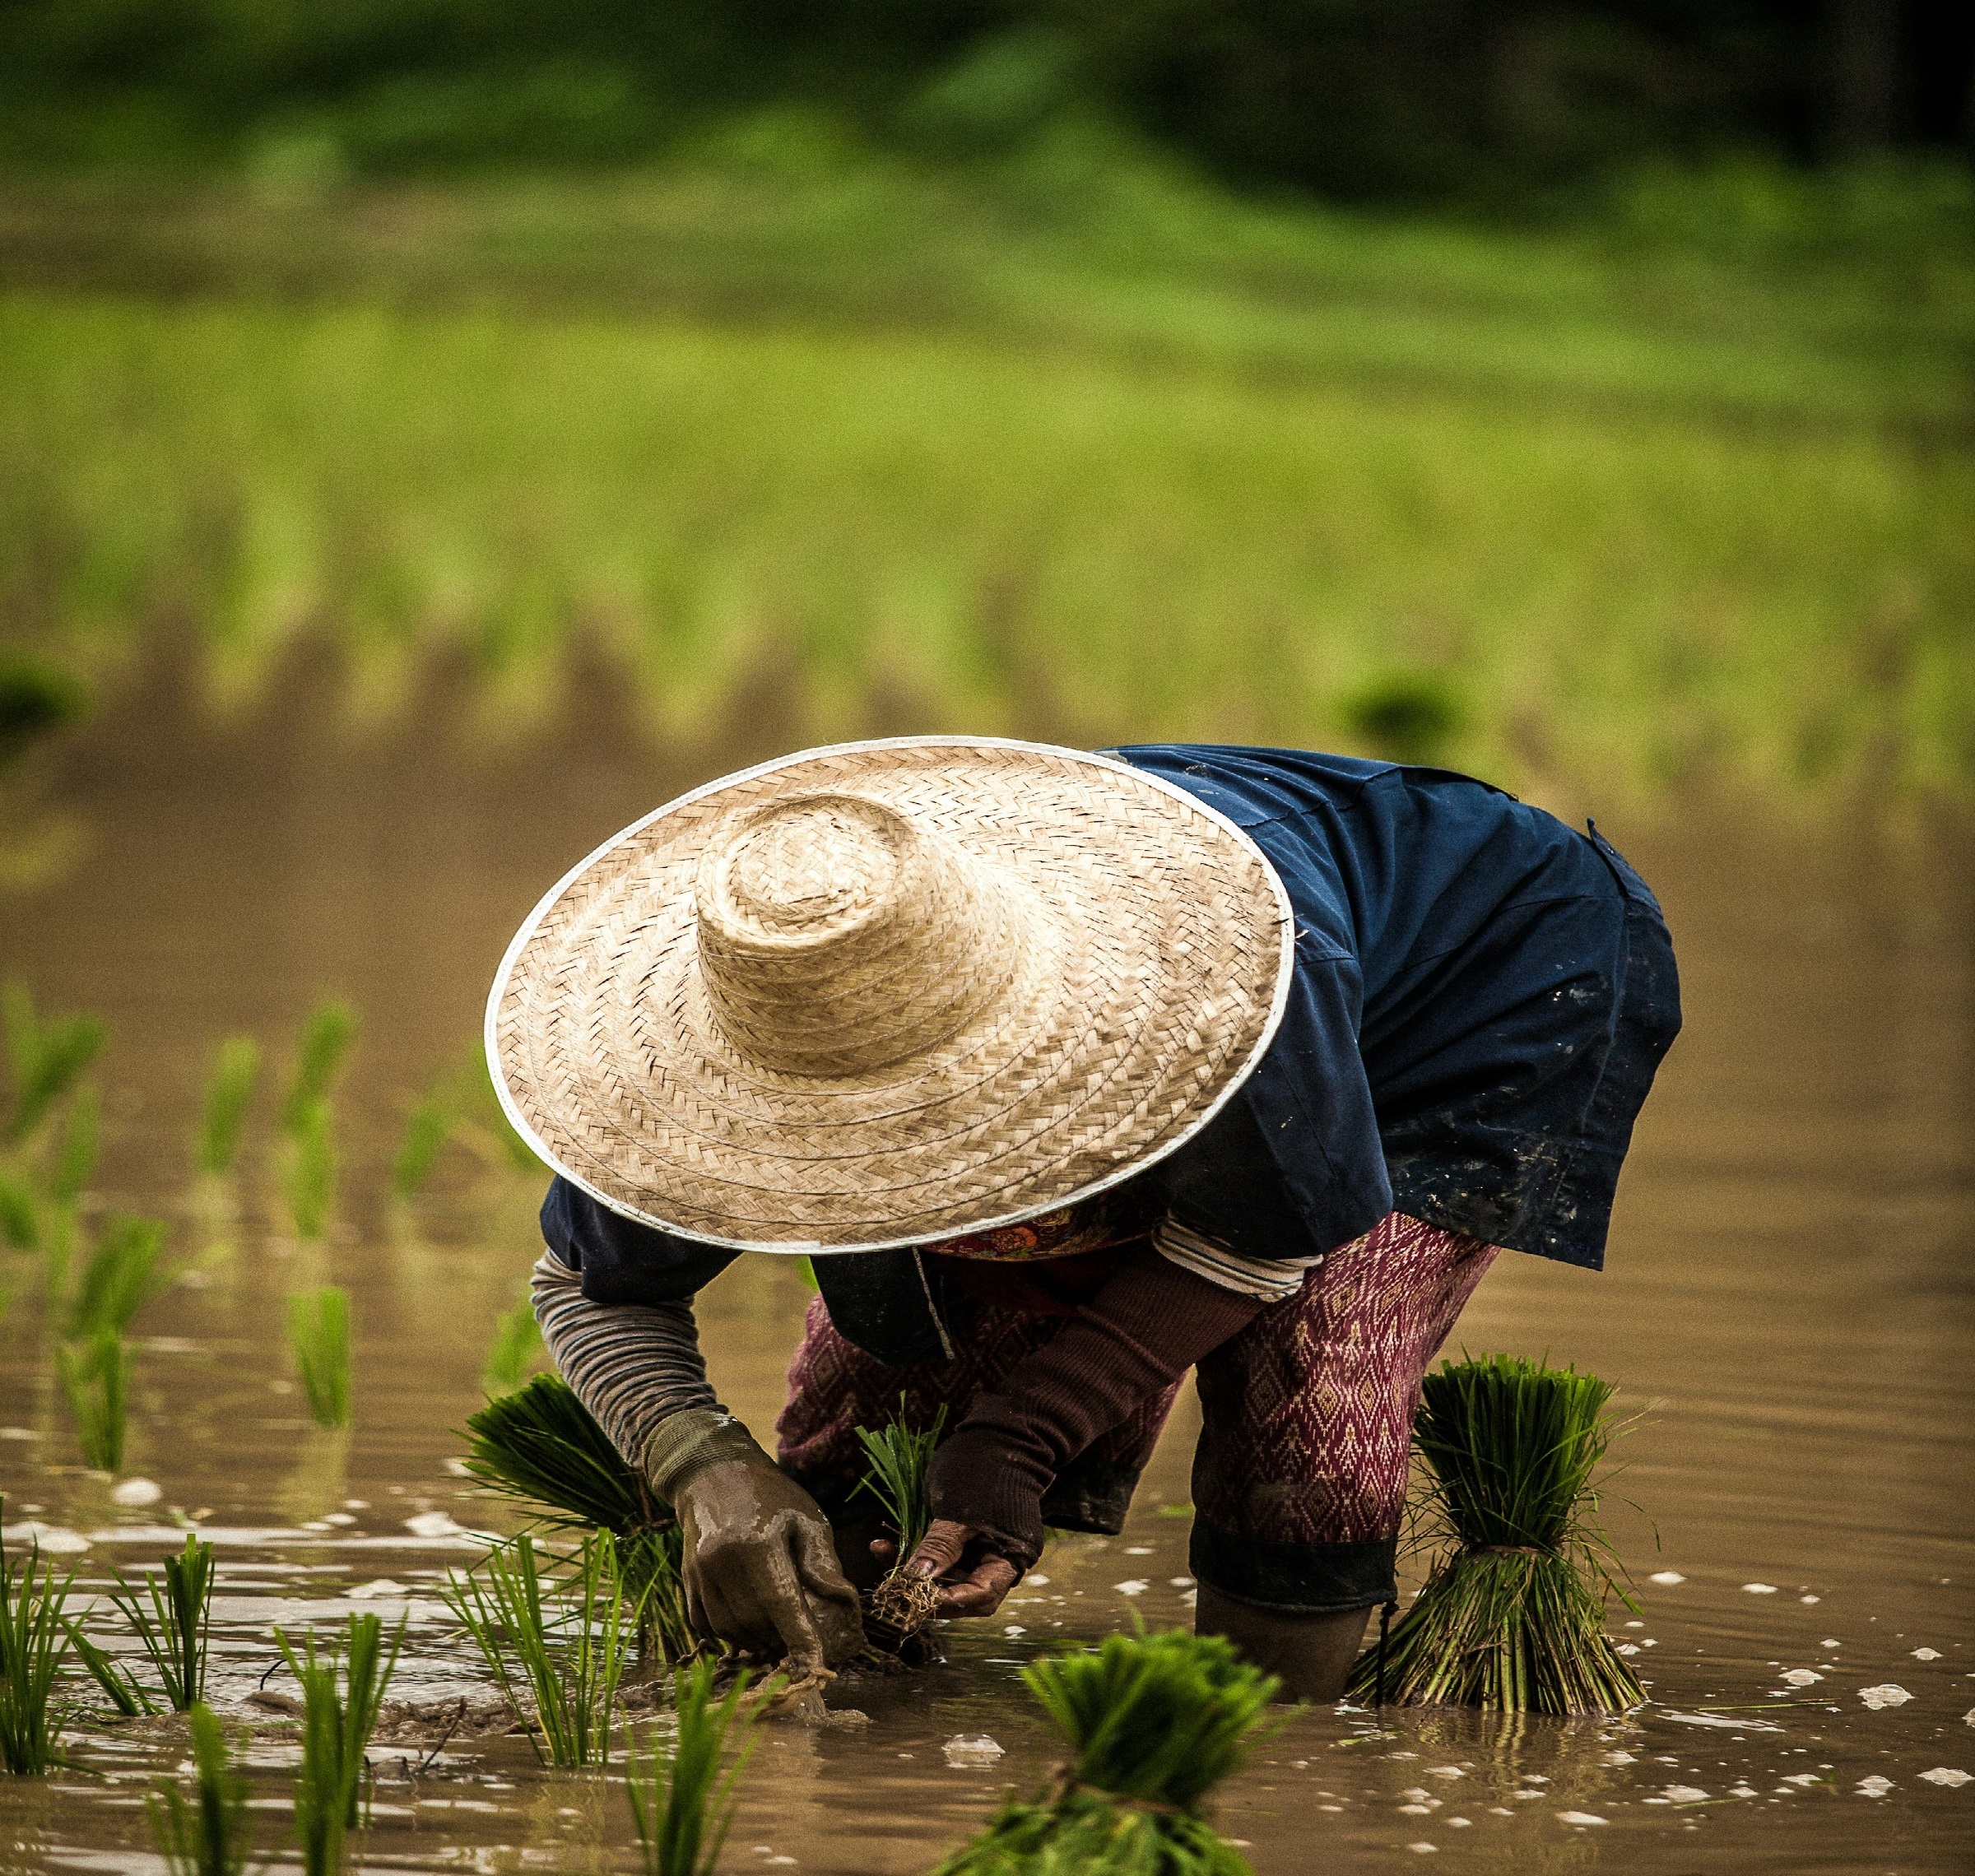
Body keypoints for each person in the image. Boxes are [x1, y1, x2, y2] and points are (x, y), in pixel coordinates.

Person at [490, 737, 1679, 1698]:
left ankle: (1247, 1755)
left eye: (922, 1117)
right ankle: (846, 1682)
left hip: (1465, 985)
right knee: (886, 1398)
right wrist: (706, 1469)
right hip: (1178, 958)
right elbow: (592, 1285)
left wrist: (1025, 1435)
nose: (884, 1149)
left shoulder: (1223, 991)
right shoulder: (720, 1039)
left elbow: (1266, 1234)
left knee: (1310, 1384)